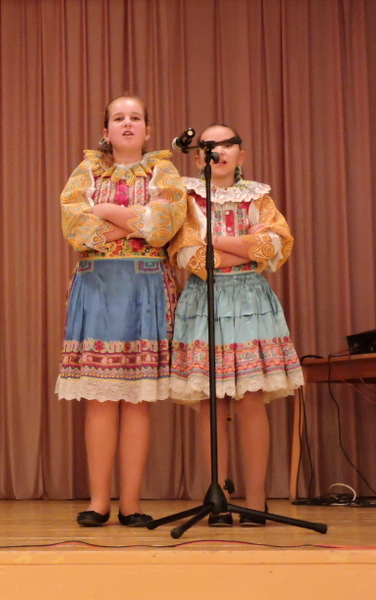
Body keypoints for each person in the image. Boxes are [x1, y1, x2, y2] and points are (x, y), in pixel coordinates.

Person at [56, 95, 187, 527]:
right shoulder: (87, 171)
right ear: (106, 130)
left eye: (135, 117)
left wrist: (107, 211)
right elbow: (76, 229)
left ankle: (131, 503)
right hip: (98, 286)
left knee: (138, 401)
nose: (127, 123)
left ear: (148, 130)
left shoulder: (163, 171)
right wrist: (137, 221)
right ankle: (98, 501)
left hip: (146, 287)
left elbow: (165, 226)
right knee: (99, 398)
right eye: (118, 118)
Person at [168, 124, 304, 526]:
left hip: (249, 301)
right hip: (204, 299)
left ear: (241, 155)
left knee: (250, 399)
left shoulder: (258, 197)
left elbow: (276, 244)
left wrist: (218, 242)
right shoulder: (186, 198)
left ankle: (257, 501)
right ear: (198, 157)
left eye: (228, 144)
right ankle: (219, 500)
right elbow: (189, 253)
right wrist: (245, 244)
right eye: (210, 145)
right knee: (212, 402)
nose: (220, 151)